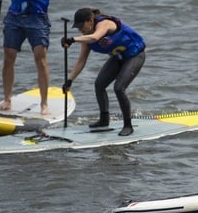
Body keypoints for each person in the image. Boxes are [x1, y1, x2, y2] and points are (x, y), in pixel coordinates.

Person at [61, 8, 146, 136]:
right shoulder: (86, 39)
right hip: (118, 57)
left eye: (81, 26)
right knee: (99, 84)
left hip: (135, 56)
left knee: (119, 88)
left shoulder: (104, 23)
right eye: (77, 27)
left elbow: (95, 37)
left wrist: (72, 40)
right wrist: (69, 80)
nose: (80, 30)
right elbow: (81, 61)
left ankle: (128, 125)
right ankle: (104, 120)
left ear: (91, 21)